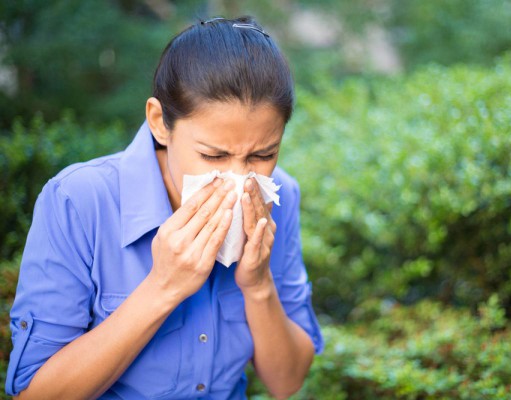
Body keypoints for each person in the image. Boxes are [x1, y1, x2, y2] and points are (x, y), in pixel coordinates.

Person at [5, 16, 323, 400]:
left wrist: (257, 286)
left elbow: (286, 382)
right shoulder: (79, 201)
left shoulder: (278, 196)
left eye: (263, 154)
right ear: (159, 122)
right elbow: (34, 394)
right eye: (213, 155)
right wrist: (163, 287)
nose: (238, 179)